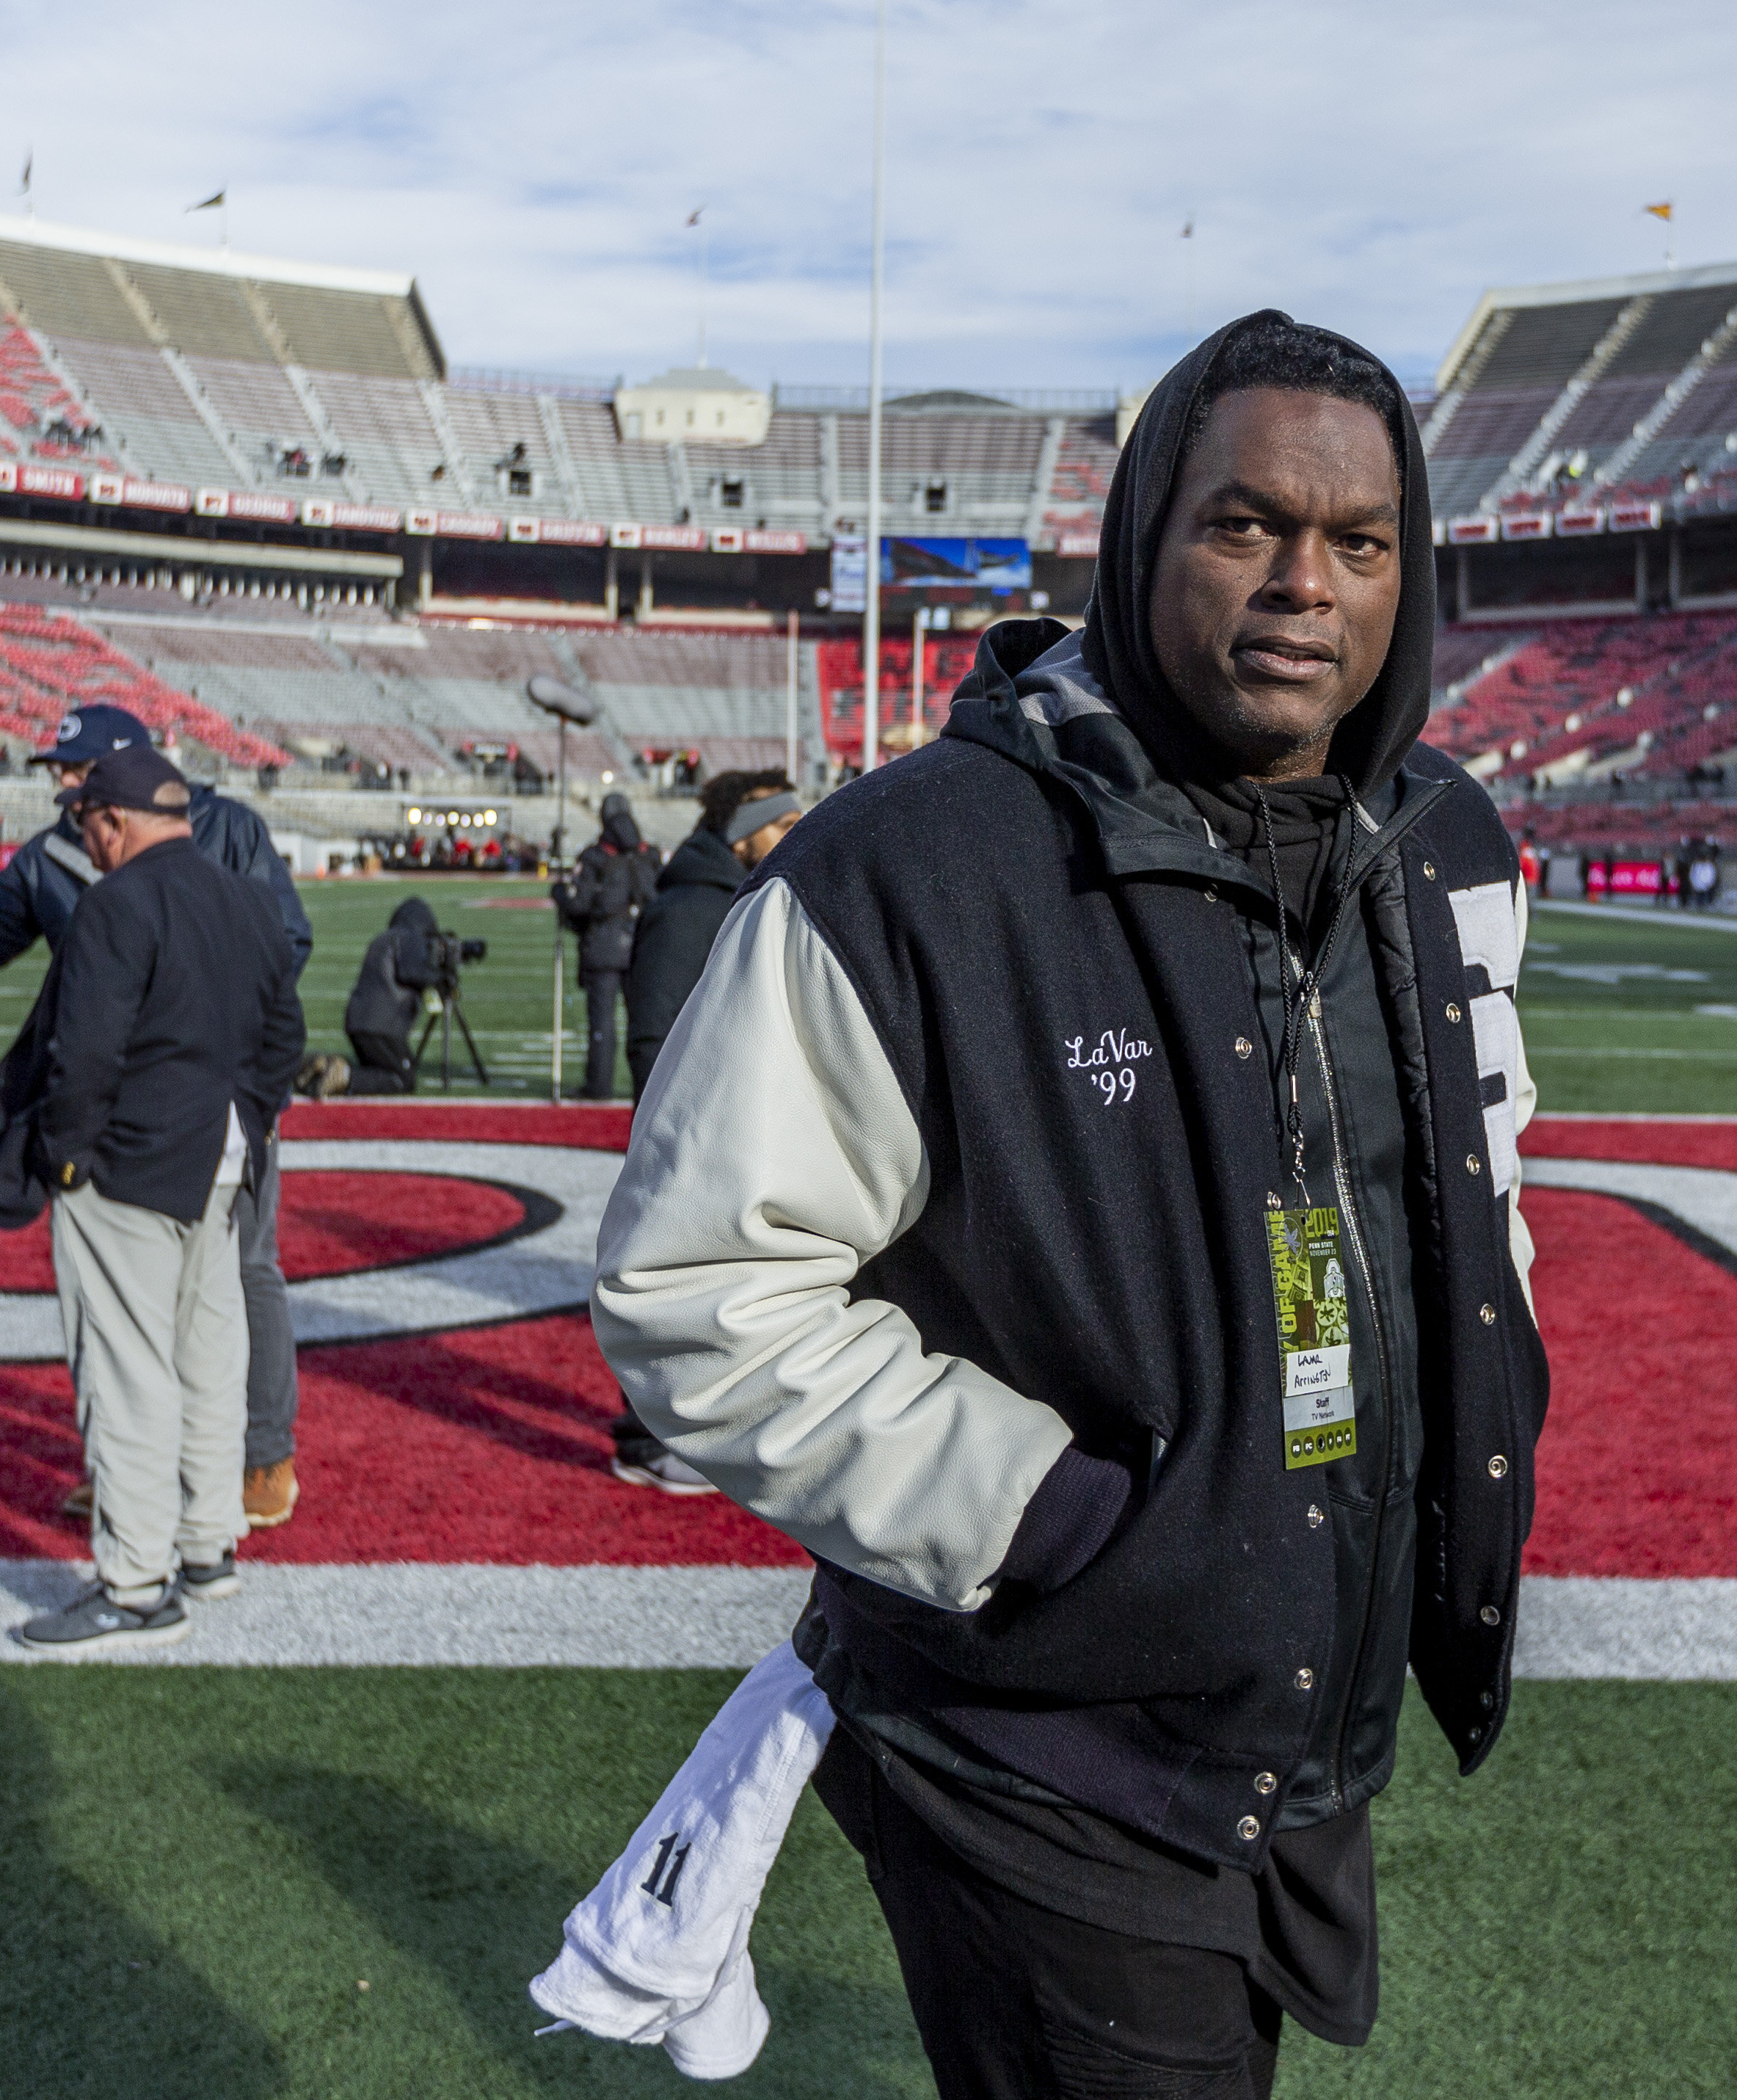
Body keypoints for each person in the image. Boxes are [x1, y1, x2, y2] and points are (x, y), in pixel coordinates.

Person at [591, 311, 1545, 2098]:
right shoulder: (915, 862)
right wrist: (1055, 1516)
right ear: (1139, 540)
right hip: (1040, 1735)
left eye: (1359, 541)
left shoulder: (1438, 838)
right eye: (1243, 523)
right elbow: (697, 1288)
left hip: (1289, 1709)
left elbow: (1476, 1194)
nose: (1303, 585)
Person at [0, 704, 318, 1533]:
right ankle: (120, 1461)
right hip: (109, 1100)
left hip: (210, 1089)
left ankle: (261, 1453)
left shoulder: (225, 826)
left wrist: (228, 1067)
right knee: (105, 1294)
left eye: (72, 766)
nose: (58, 781)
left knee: (238, 1273)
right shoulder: (51, 853)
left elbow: (283, 944)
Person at [15, 746, 304, 1657]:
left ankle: (136, 1583)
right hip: (217, 1162)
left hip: (131, 1167)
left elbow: (85, 1053)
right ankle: (205, 1545)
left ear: (110, 820)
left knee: (128, 1372)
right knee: (208, 1358)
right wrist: (244, 1122)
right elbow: (283, 1036)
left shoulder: (116, 901)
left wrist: (66, 1156)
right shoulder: (249, 897)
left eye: (88, 826)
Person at [620, 769, 798, 1099]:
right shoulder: (686, 908)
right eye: (784, 826)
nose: (797, 836)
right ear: (741, 837)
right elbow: (654, 1035)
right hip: (704, 1121)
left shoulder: (753, 898)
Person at [551, 792, 660, 1101]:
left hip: (602, 948)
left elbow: (580, 905)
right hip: (640, 945)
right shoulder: (647, 854)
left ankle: (598, 1086)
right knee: (644, 1021)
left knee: (602, 1022)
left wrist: (559, 895)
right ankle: (648, 1087)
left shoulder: (596, 857)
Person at [310, 896, 449, 1096]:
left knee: (378, 1070)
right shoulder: (410, 938)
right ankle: (345, 1075)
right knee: (402, 1079)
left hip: (358, 1020)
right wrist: (439, 975)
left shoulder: (383, 938)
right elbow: (412, 972)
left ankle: (326, 1068)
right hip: (383, 1025)